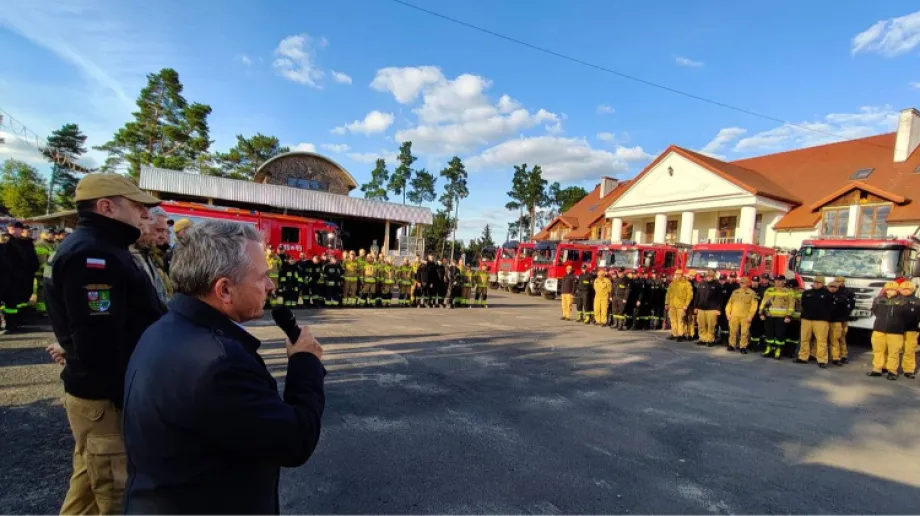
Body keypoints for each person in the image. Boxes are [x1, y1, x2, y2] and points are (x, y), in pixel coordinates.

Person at [123, 221, 326, 514]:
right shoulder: (219, 364)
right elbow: (296, 440)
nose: (271, 286)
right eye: (262, 277)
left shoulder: (165, 329)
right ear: (225, 289)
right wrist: (305, 361)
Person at [45, 173, 165, 514]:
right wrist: (130, 396)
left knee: (85, 496)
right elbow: (98, 342)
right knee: (117, 498)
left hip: (97, 398)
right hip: (108, 403)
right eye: (137, 205)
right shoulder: (92, 256)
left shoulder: (97, 246)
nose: (144, 213)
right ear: (107, 206)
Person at [868, 281, 911, 381]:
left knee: (893, 352)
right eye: (888, 289)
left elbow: (908, 316)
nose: (890, 291)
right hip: (879, 329)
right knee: (878, 350)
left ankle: (892, 371)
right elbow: (875, 311)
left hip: (895, 331)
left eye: (893, 289)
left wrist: (899, 324)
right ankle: (877, 369)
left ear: (897, 290)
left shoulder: (904, 301)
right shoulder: (878, 299)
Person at [795, 276, 833, 368]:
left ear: (823, 283)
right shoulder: (807, 293)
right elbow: (803, 304)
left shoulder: (828, 294)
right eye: (815, 282)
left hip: (821, 320)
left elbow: (832, 307)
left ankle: (822, 360)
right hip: (806, 319)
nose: (816, 283)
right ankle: (803, 357)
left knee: (821, 341)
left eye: (819, 282)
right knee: (804, 339)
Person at [725, 277, 758, 353]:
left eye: (744, 283)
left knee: (744, 332)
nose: (742, 284)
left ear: (748, 283)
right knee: (732, 331)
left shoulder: (752, 293)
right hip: (734, 315)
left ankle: (743, 347)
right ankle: (732, 345)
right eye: (741, 283)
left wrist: (750, 316)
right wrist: (728, 313)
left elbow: (754, 306)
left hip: (745, 316)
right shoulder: (735, 292)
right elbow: (729, 303)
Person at [694, 270, 722, 347]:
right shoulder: (701, 284)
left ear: (713, 277)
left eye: (710, 276)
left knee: (711, 326)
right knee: (701, 325)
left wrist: (718, 309)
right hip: (701, 308)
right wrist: (695, 307)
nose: (708, 278)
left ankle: (710, 340)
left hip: (712, 309)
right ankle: (702, 339)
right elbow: (697, 296)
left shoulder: (717, 285)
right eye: (707, 276)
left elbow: (720, 299)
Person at [898, 281, 919, 379]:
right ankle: (887, 367)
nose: (906, 291)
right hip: (895, 329)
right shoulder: (894, 300)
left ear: (913, 290)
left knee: (909, 350)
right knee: (892, 350)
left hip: (911, 329)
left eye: (908, 289)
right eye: (903, 289)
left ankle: (908, 370)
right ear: (899, 289)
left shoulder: (918, 301)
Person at [665, 270, 692, 342]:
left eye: (679, 274)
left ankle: (680, 335)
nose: (678, 276)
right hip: (672, 305)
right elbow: (668, 294)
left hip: (681, 306)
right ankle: (674, 334)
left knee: (680, 321)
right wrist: (666, 303)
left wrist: (686, 305)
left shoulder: (687, 284)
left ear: (682, 275)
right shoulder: (672, 283)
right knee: (673, 321)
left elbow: (689, 295)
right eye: (676, 274)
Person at [34, 229, 56, 314]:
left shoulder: (49, 244)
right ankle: (41, 309)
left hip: (48, 271)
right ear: (45, 235)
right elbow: (42, 261)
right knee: (42, 290)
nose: (53, 236)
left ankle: (44, 308)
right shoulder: (40, 244)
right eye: (51, 234)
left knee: (46, 290)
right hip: (43, 272)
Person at [827, 281, 849, 366]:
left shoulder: (842, 298)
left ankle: (838, 357)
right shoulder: (825, 296)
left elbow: (846, 311)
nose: (832, 288)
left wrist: (843, 321)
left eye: (834, 287)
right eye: (830, 286)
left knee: (837, 339)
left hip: (837, 321)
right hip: (825, 321)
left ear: (838, 288)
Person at [834, 275, 855, 362]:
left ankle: (843, 355)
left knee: (841, 338)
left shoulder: (848, 292)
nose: (839, 283)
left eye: (841, 281)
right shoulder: (832, 290)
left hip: (842, 318)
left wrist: (846, 313)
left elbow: (852, 305)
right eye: (837, 281)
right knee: (832, 338)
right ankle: (835, 355)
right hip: (832, 318)